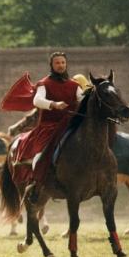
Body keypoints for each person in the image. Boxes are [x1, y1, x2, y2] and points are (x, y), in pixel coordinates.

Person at [11, 52, 83, 202]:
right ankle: (36, 184)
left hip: (70, 126)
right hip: (49, 127)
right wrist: (53, 104)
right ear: (52, 65)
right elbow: (37, 100)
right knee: (40, 155)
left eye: (63, 62)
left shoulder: (75, 86)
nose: (61, 65)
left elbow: (84, 101)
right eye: (57, 63)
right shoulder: (44, 84)